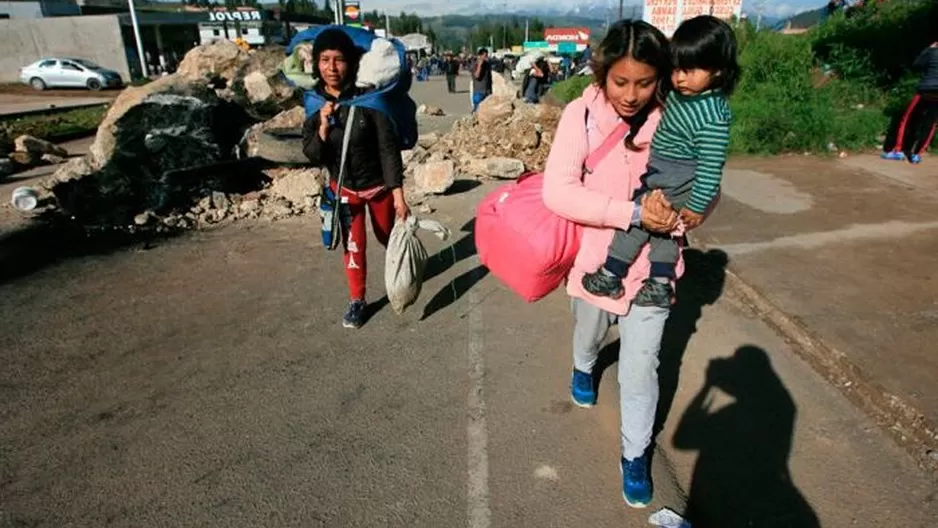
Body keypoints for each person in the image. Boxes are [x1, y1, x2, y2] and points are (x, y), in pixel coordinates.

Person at [542, 19, 708, 509]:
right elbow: (558, 191)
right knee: (589, 334)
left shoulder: (682, 116)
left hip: (653, 272)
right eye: (621, 82)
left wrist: (685, 214)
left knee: (640, 368)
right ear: (602, 73)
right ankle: (583, 364)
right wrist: (634, 213)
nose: (632, 95)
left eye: (644, 82)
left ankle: (635, 454)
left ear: (662, 77)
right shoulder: (582, 114)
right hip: (598, 263)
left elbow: (707, 184)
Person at [581, 15, 738, 307]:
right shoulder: (683, 93)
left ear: (718, 71)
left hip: (677, 176)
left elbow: (710, 166)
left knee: (640, 221)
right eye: (676, 68)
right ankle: (661, 283)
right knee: (662, 228)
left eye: (690, 70)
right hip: (664, 171)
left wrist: (697, 204)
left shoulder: (714, 115)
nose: (680, 78)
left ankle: (611, 273)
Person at [301, 29, 411, 329]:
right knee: (354, 246)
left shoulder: (370, 99)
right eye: (324, 60)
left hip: (378, 188)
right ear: (316, 63)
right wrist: (323, 126)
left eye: (339, 60)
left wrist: (398, 195)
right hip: (344, 190)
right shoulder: (314, 103)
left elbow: (388, 149)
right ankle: (357, 300)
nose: (332, 68)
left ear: (350, 63)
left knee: (390, 237)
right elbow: (312, 153)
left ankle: (403, 277)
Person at [882, 41, 938, 164]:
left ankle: (898, 151)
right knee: (930, 123)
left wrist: (929, 48)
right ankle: (916, 154)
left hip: (925, 91)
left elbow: (917, 64)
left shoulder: (932, 52)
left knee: (907, 119)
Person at [472, 48, 492, 112]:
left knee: (487, 111)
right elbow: (477, 76)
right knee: (477, 111)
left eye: (487, 55)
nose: (486, 57)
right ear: (480, 56)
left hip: (487, 91)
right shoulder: (475, 64)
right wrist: (480, 65)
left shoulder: (487, 64)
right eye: (485, 56)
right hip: (479, 92)